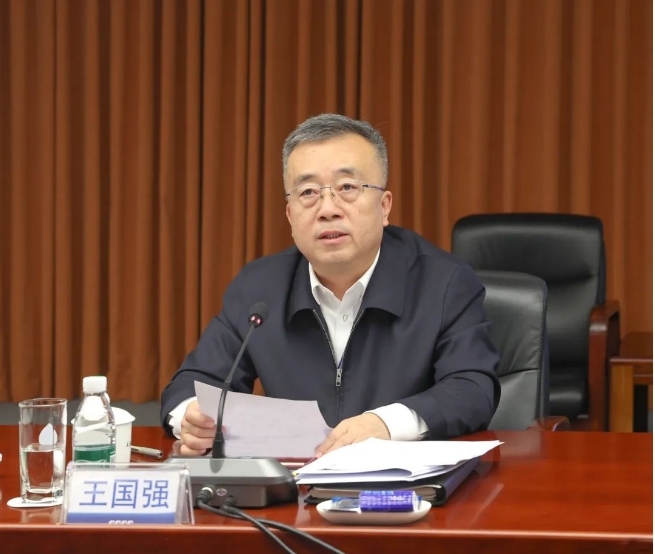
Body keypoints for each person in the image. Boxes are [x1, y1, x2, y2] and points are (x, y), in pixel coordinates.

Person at [160, 113, 500, 457]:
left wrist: (385, 424)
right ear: (290, 215)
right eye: (308, 192)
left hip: (404, 481)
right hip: (294, 481)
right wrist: (192, 418)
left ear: (384, 207)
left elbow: (472, 388)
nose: (327, 209)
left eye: (347, 188)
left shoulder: (443, 282)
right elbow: (191, 384)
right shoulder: (258, 288)